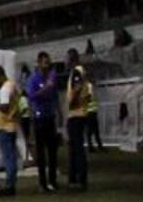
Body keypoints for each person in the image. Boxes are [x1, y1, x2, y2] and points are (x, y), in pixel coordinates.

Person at [27, 51, 64, 194]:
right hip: (39, 117)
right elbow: (32, 96)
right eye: (44, 63)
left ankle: (53, 180)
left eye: (48, 63)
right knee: (41, 151)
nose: (46, 66)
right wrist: (45, 88)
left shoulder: (51, 78)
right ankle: (43, 182)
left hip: (50, 116)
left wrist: (59, 112)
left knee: (52, 150)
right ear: (39, 63)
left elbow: (55, 97)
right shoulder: (34, 79)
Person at [64, 58, 98, 191]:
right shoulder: (84, 74)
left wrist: (73, 102)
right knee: (76, 147)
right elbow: (88, 95)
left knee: (76, 148)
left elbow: (76, 88)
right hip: (81, 113)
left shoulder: (76, 73)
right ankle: (75, 178)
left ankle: (79, 178)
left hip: (75, 114)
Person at [0, 65, 25, 196]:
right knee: (11, 155)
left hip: (5, 126)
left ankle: (10, 185)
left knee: (8, 158)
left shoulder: (5, 88)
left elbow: (5, 107)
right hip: (12, 124)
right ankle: (11, 183)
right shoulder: (12, 85)